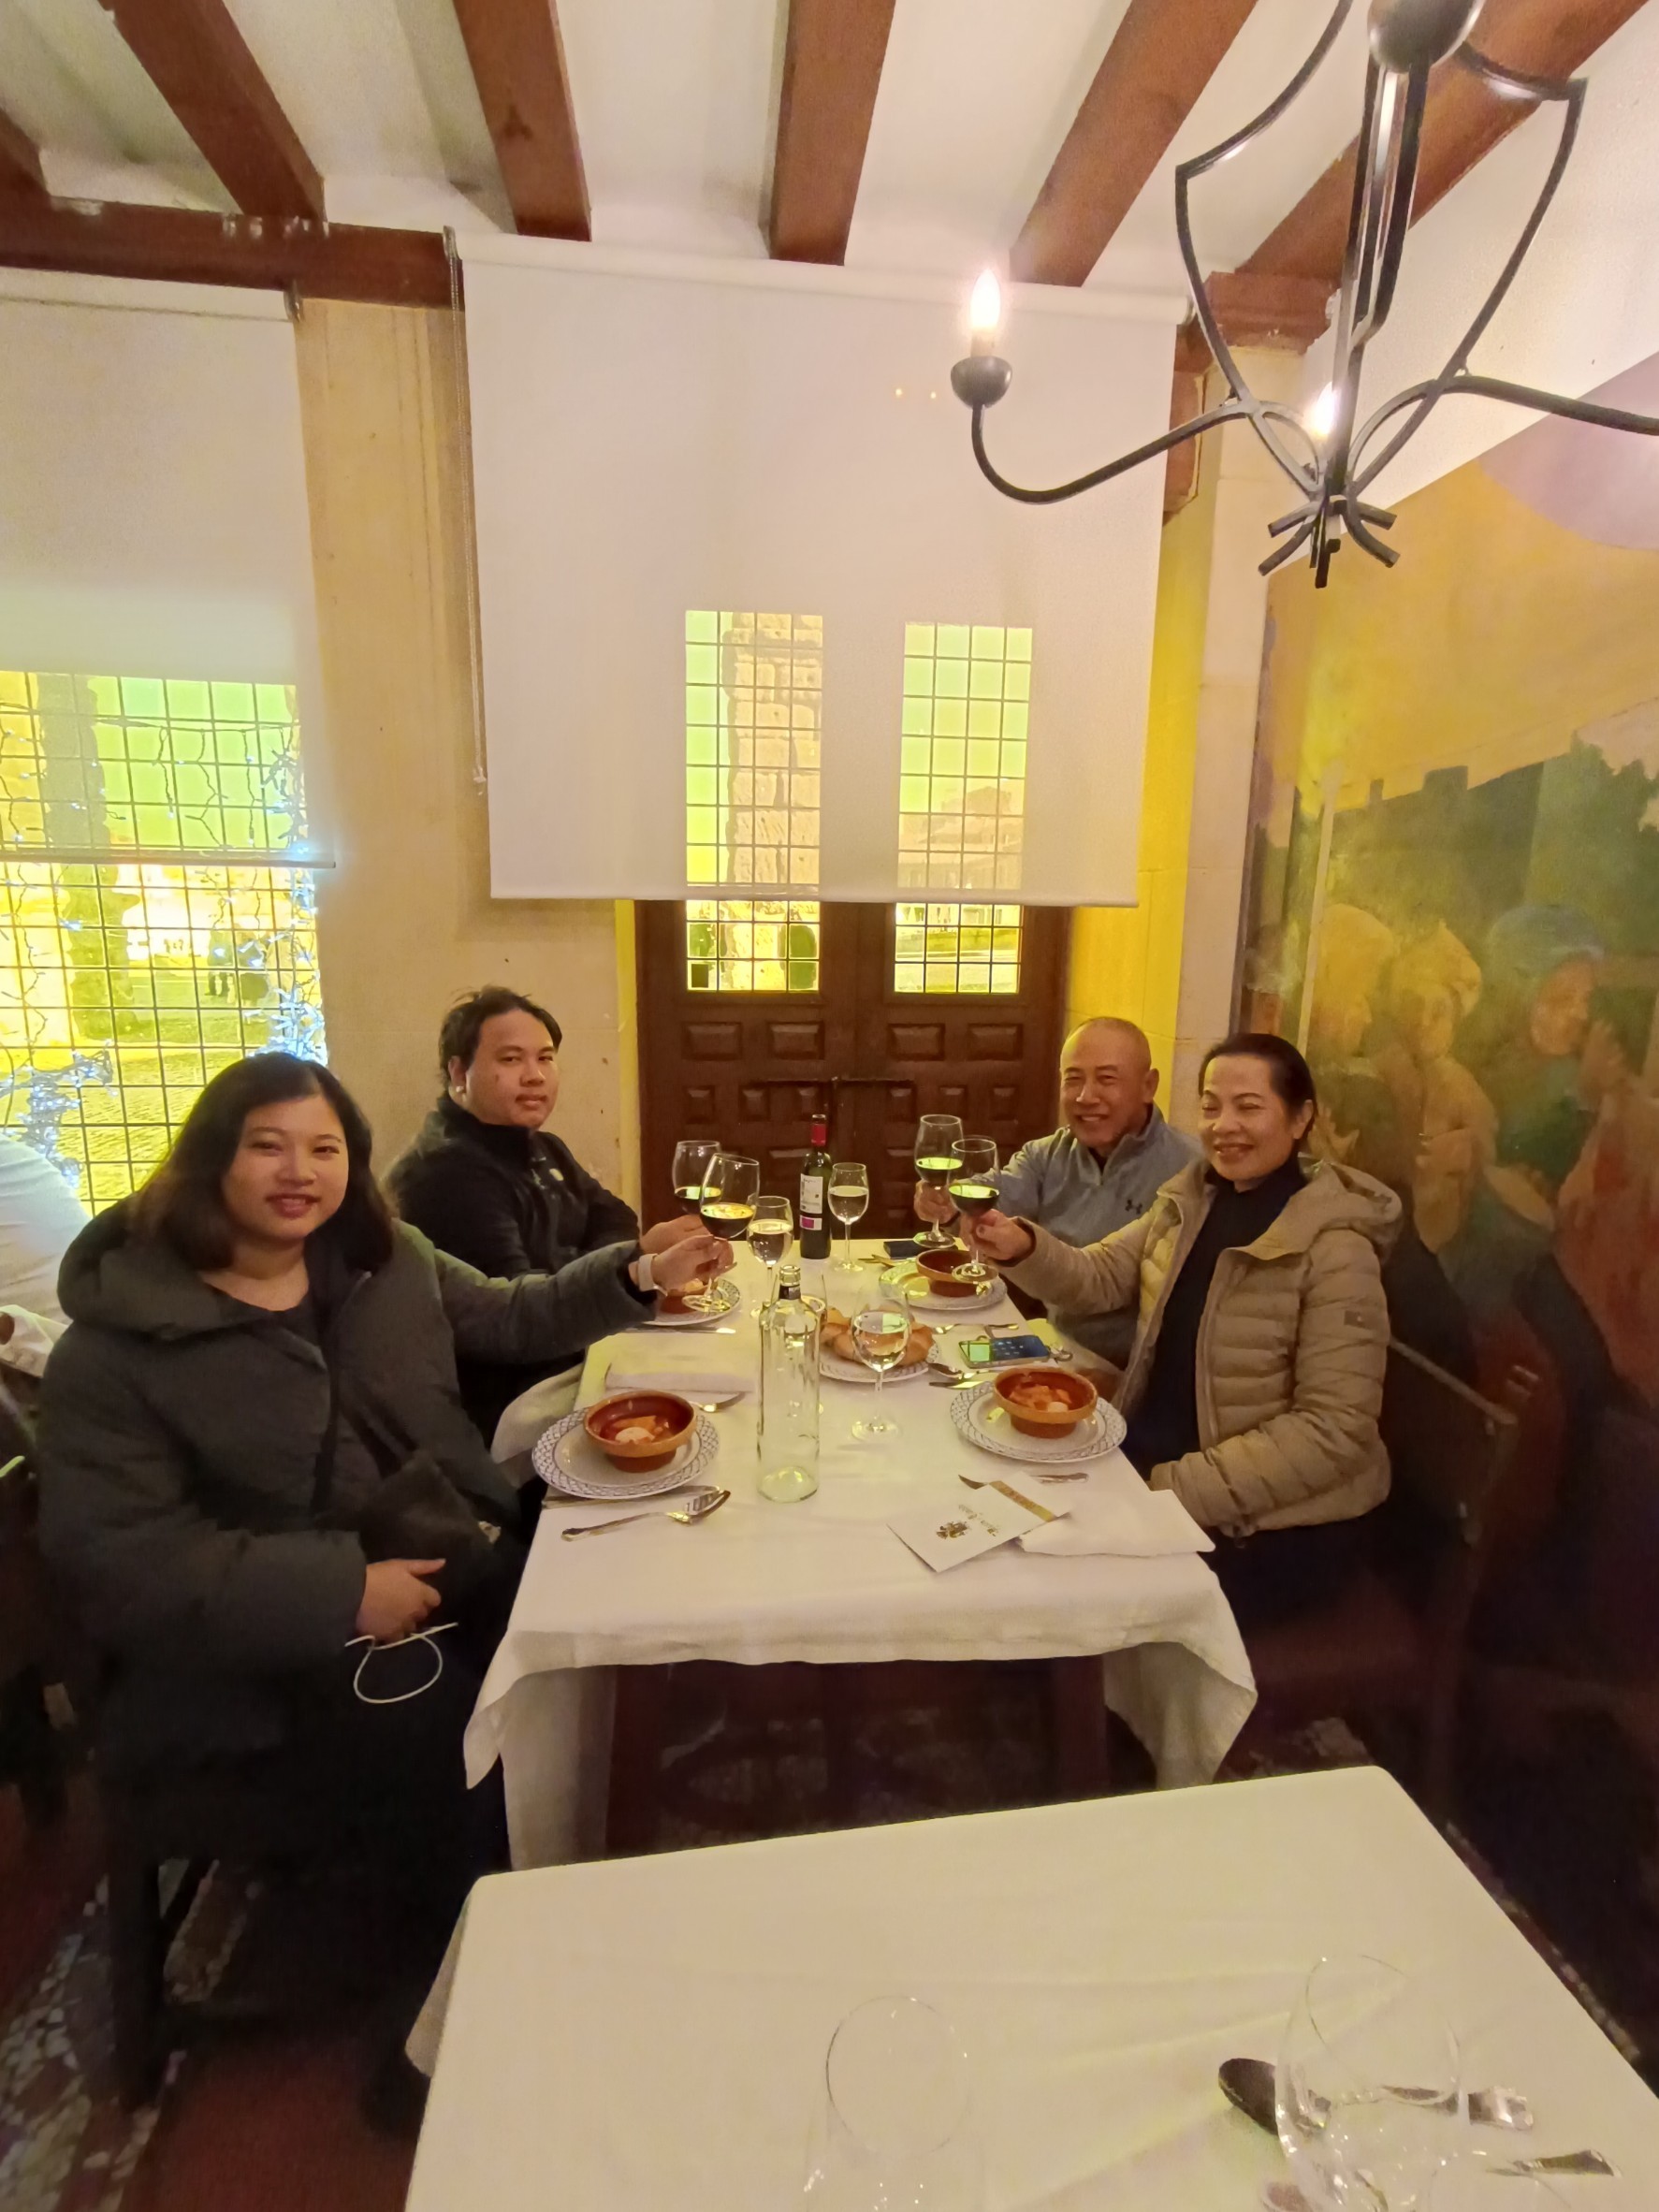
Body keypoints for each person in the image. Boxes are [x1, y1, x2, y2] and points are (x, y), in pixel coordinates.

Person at [36, 1055, 725, 2009]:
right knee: (444, 1728)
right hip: (251, 1656)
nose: (299, 1172)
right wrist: (345, 1592)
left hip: (438, 1549)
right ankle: (467, 1998)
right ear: (208, 1162)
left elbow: (512, 1314)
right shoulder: (117, 1348)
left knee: (584, 1611)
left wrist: (642, 1272)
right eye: (267, 1147)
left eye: (324, 1149)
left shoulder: (384, 1258)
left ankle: (574, 1886)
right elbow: (124, 1563)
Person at [968, 1033, 1400, 1629]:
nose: (1225, 1126)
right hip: (1160, 1461)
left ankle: (1091, 1684)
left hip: (1272, 1527)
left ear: (1301, 1118)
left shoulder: (1337, 1249)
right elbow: (1098, 1277)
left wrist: (1166, 1488)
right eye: (1211, 1106)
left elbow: (1334, 1431)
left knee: (1049, 1582)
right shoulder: (1193, 1201)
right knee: (995, 1499)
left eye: (1249, 1107)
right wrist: (1021, 1245)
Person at [387, 987, 701, 1437]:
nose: (534, 1076)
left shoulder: (541, 1146)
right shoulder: (445, 1173)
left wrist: (591, 1274)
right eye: (511, 1059)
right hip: (511, 1398)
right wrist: (608, 1271)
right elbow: (523, 1316)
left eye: (545, 1058)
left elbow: (615, 1216)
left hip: (576, 1345)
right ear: (459, 1072)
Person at [914, 1017, 1198, 1365]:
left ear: (1148, 1085)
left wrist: (1128, 1383)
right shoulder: (1047, 1154)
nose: (1085, 1097)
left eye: (1107, 1079)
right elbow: (995, 1191)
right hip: (1055, 1345)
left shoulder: (1191, 1172)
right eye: (1073, 1079)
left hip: (1139, 1370)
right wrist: (947, 1203)